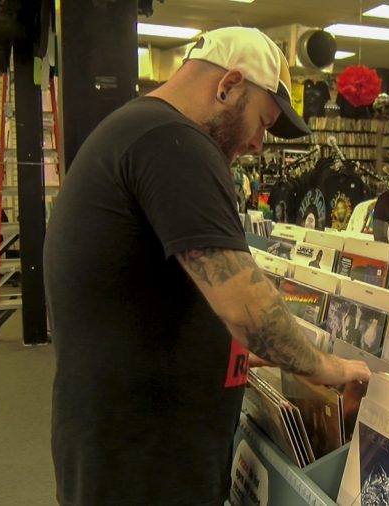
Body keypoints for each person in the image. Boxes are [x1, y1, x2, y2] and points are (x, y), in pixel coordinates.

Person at [43, 27, 370, 506]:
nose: (260, 143)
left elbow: (142, 299)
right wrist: (329, 367)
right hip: (144, 463)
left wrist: (237, 353)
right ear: (229, 85)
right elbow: (246, 308)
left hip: (125, 446)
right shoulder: (174, 141)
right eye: (263, 120)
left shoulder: (140, 130)